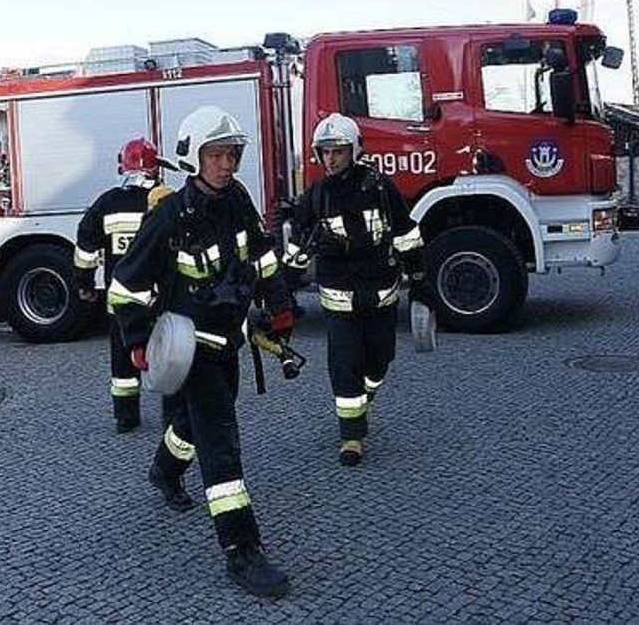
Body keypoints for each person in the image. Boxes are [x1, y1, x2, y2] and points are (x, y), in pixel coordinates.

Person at [108, 105, 294, 598]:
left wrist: (279, 306)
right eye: (216, 155)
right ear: (194, 158)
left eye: (232, 154)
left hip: (227, 345)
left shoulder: (239, 202)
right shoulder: (168, 216)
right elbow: (123, 290)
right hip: (187, 353)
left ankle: (164, 471)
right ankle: (242, 552)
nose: (227, 164)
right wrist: (137, 341)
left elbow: (262, 254)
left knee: (190, 426)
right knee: (220, 445)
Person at [282, 113, 423, 467]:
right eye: (324, 152)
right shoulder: (315, 197)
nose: (330, 159)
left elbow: (406, 234)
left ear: (354, 151)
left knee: (380, 359)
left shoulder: (380, 187)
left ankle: (364, 396)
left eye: (338, 151)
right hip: (338, 294)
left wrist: (422, 282)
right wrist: (281, 293)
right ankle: (352, 436)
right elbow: (296, 250)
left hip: (381, 291)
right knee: (344, 362)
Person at [74, 137, 168, 433]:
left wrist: (84, 284)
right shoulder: (168, 201)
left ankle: (126, 417)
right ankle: (173, 415)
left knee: (122, 359)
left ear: (123, 167)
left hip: (122, 299)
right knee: (168, 355)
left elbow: (86, 249)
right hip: (160, 297)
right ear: (155, 169)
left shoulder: (107, 203)